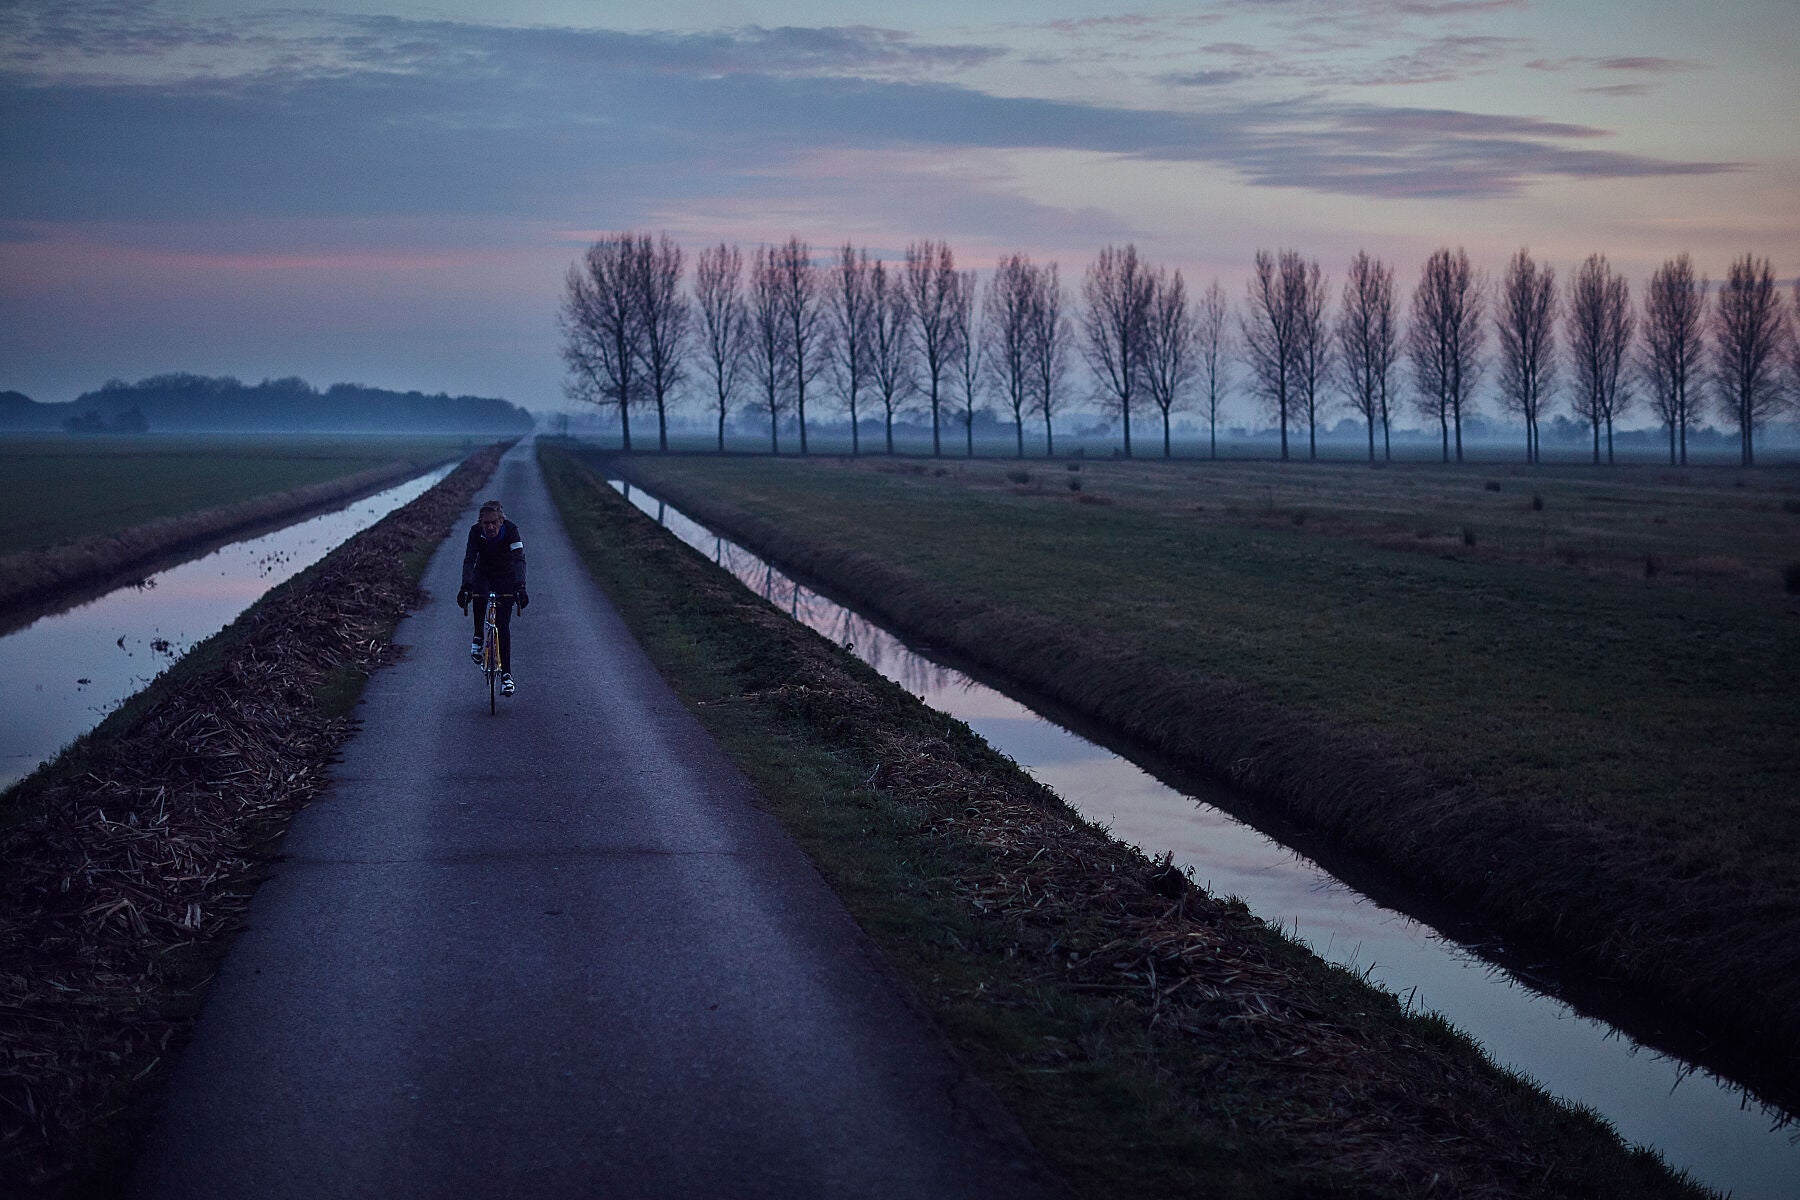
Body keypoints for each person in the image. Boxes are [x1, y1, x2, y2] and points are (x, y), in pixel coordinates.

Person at [457, 499, 528, 696]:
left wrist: (520, 586)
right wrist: (465, 586)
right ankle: (478, 636)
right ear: (480, 523)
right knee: (478, 593)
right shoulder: (475, 532)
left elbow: (519, 559)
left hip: (506, 575)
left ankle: (506, 676)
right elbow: (470, 559)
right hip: (484, 573)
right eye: (486, 523)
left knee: (503, 625)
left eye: (494, 522)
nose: (490, 527)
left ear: (501, 521)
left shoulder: (511, 531)